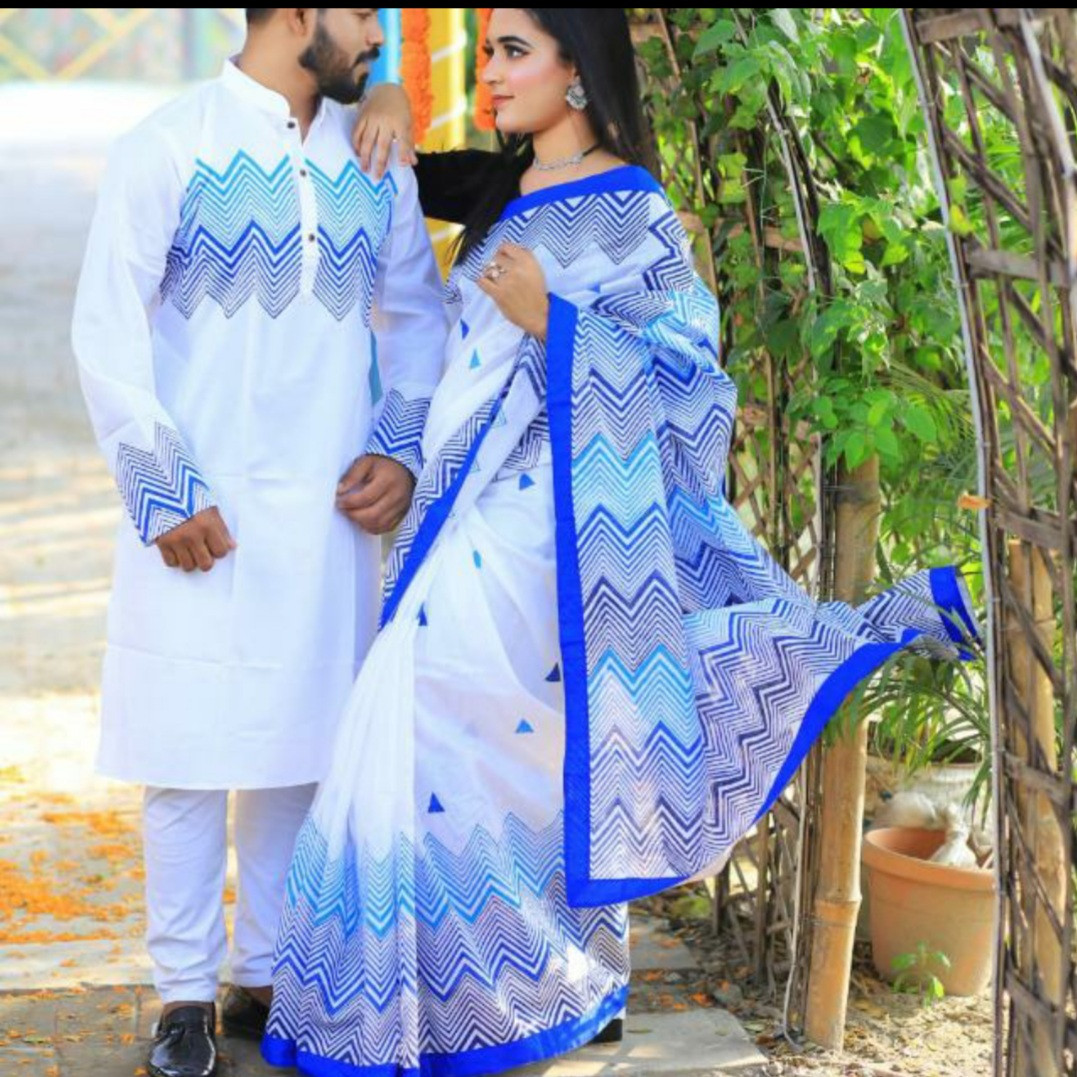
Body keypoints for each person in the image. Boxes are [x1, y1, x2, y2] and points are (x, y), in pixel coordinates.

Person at [262, 9, 979, 1077]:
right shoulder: (501, 187)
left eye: (514, 52)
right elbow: (386, 176)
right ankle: (462, 993)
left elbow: (692, 383)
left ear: (579, 72)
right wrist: (389, 93)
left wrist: (555, 322)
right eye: (488, 50)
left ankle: (514, 987)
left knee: (467, 719)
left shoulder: (635, 210)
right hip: (467, 505)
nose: (492, 73)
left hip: (564, 520)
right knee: (455, 728)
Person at [70, 9, 446, 1077]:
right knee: (185, 753)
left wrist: (399, 447)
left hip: (326, 509)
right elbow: (106, 327)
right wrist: (161, 489)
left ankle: (264, 976)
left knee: (300, 748)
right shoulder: (168, 145)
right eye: (358, 14)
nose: (374, 33)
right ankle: (183, 996)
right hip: (200, 506)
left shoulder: (374, 161)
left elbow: (416, 317)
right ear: (294, 14)